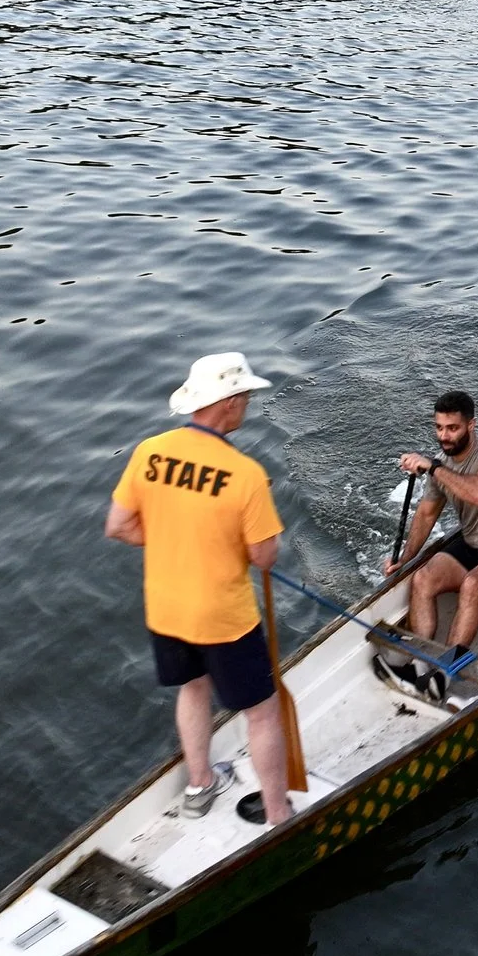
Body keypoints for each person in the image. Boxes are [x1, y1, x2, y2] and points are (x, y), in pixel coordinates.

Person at [104, 351, 293, 826]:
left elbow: (119, 526)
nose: (248, 403)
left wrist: (175, 533)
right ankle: (277, 812)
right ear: (227, 402)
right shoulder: (246, 474)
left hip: (165, 610)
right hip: (222, 617)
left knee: (192, 688)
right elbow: (264, 557)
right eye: (245, 395)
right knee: (263, 713)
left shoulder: (150, 451)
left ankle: (200, 784)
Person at [389, 390, 478, 656]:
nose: (444, 436)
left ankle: (444, 668)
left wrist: (433, 468)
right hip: (471, 545)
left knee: (473, 584)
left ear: (471, 425)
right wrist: (406, 559)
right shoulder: (441, 465)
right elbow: (426, 514)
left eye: (453, 428)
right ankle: (417, 660)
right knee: (422, 579)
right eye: (439, 428)